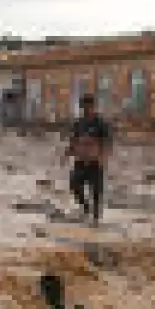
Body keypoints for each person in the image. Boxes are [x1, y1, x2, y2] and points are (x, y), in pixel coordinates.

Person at [62, 93, 112, 225]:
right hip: (81, 160)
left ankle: (95, 217)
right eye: (83, 107)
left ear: (93, 107)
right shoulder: (79, 123)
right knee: (74, 184)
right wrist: (68, 153)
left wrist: (103, 157)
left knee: (95, 190)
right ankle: (85, 208)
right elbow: (74, 140)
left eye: (88, 107)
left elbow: (107, 142)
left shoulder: (100, 123)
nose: (85, 110)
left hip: (95, 161)